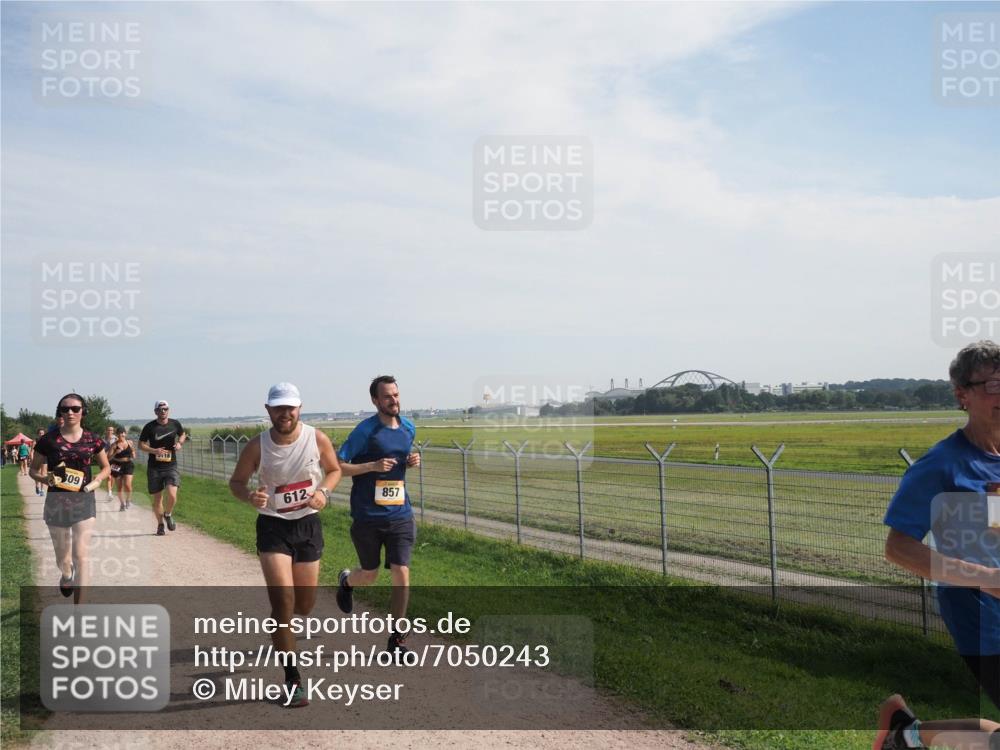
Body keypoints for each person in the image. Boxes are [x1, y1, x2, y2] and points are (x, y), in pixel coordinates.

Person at [876, 340, 1000, 750]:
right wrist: (986, 578)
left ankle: (906, 735)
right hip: (982, 617)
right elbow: (899, 547)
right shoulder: (943, 464)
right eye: (992, 385)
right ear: (962, 394)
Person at [228, 383, 342, 707]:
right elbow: (236, 483)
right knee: (283, 602)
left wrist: (324, 493)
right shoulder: (257, 446)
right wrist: (249, 495)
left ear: (300, 408)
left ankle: (281, 628)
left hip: (307, 525)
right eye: (278, 408)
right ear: (268, 410)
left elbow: (333, 471)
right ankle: (293, 680)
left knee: (304, 606)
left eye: (290, 407)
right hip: (273, 526)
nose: (285, 413)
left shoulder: (316, 438)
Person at [335, 375, 420, 656]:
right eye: (387, 396)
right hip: (368, 516)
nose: (393, 400)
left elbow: (401, 459)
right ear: (375, 400)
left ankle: (397, 640)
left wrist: (412, 460)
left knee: (401, 573)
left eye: (396, 394)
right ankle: (347, 582)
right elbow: (337, 465)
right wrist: (372, 465)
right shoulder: (365, 431)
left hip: (400, 513)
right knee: (369, 575)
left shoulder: (408, 428)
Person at [28, 394, 111, 603]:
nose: (71, 413)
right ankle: (66, 575)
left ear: (83, 411)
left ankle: (79, 613)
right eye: (65, 409)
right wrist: (45, 479)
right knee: (62, 558)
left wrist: (99, 479)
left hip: (84, 501)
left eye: (75, 408)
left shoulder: (93, 439)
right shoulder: (48, 440)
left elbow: (106, 467)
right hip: (56, 504)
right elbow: (33, 470)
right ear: (60, 413)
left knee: (80, 556)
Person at [139, 401, 186, 536]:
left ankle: (168, 514)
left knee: (172, 494)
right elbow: (141, 445)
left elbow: (182, 434)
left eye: (165, 409)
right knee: (158, 499)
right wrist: (154, 450)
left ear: (168, 410)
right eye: (160, 409)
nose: (163, 411)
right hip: (154, 467)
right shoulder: (149, 427)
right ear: (155, 412)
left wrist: (179, 443)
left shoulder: (175, 424)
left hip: (171, 465)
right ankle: (160, 525)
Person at [110, 427, 136, 511]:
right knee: (120, 487)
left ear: (125, 434)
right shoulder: (114, 445)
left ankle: (128, 500)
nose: (122, 434)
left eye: (123, 433)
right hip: (117, 465)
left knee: (128, 485)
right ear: (117, 435)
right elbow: (108, 458)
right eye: (120, 433)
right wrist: (115, 453)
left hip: (128, 464)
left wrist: (132, 449)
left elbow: (134, 456)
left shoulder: (130, 442)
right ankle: (122, 504)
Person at [104, 425, 117, 501]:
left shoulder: (116, 439)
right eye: (108, 430)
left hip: (114, 460)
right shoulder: (102, 440)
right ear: (106, 431)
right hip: (105, 460)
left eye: (111, 430)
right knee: (108, 476)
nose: (110, 431)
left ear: (113, 431)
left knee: (113, 477)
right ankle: (109, 493)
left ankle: (110, 492)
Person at [34, 429, 47, 496]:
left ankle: (42, 490)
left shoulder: (46, 441)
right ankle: (37, 486)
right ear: (38, 434)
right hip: (37, 459)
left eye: (42, 433)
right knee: (38, 474)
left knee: (43, 474)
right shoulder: (35, 441)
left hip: (45, 458)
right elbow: (32, 450)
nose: (41, 434)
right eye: (40, 433)